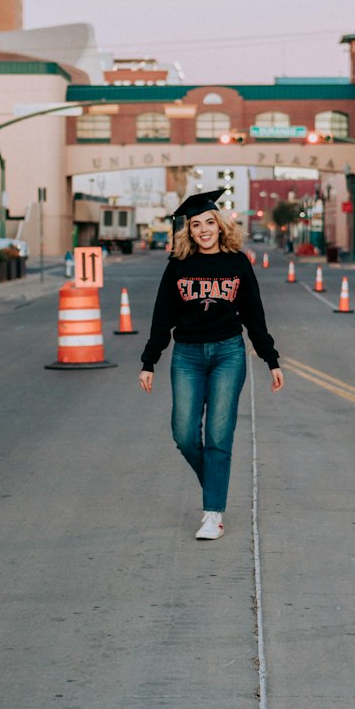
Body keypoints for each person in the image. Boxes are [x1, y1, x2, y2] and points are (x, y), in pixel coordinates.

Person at [139, 190, 284, 541]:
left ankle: (212, 514)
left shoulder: (237, 263)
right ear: (188, 231)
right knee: (184, 434)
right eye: (195, 224)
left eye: (209, 222)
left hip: (228, 354)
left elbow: (254, 314)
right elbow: (162, 317)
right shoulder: (178, 265)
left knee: (219, 436)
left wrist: (270, 359)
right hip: (186, 355)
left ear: (220, 226)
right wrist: (150, 360)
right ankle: (215, 486)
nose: (203, 229)